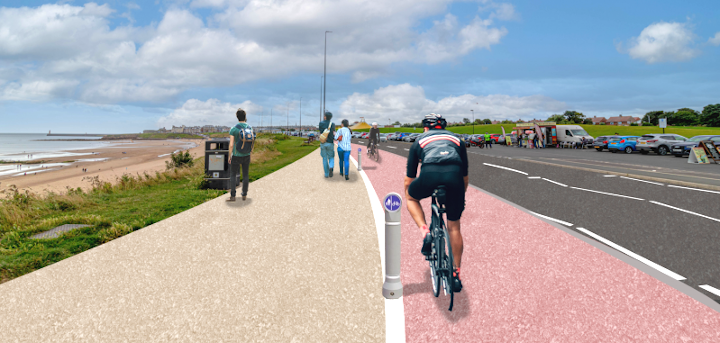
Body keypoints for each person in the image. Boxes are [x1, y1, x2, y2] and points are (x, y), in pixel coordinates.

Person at [405, 113, 469, 292]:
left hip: (429, 175)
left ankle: (425, 232)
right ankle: (456, 274)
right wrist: (459, 196)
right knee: (454, 227)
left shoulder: (419, 141)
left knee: (411, 197)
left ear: (426, 127)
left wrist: (410, 193)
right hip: (455, 178)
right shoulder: (457, 140)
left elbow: (409, 178)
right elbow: (465, 176)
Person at [227, 108, 253, 201]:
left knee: (233, 174)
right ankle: (244, 194)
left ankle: (233, 196)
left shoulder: (234, 129)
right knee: (246, 174)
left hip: (236, 155)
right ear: (245, 117)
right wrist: (250, 152)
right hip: (246, 154)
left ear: (237, 117)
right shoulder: (250, 128)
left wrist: (229, 156)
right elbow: (251, 141)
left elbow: (231, 145)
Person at [319, 111, 336, 178]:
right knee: (331, 157)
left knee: (324, 158)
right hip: (330, 143)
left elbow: (321, 132)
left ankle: (326, 174)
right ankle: (331, 167)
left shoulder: (321, 123)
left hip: (323, 142)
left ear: (325, 117)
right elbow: (333, 132)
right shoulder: (333, 124)